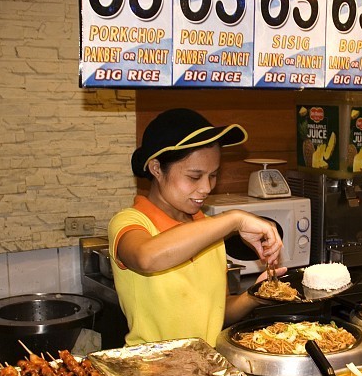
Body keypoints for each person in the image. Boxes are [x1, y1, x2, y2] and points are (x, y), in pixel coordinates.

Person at [108, 108, 284, 346]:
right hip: (153, 373)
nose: (206, 188)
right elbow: (146, 257)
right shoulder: (130, 222)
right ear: (156, 168)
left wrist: (254, 297)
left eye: (213, 175)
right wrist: (234, 219)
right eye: (194, 176)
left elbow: (215, 315)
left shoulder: (207, 231)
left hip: (207, 368)